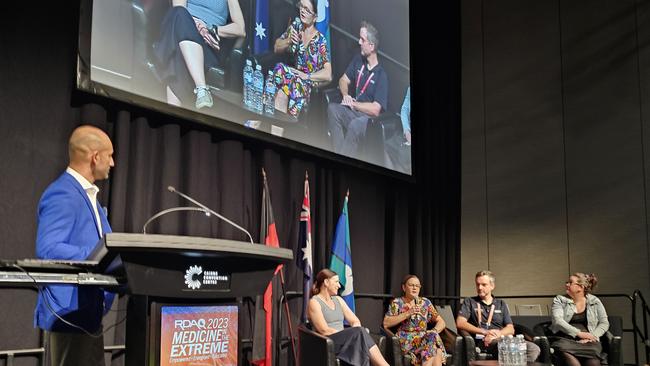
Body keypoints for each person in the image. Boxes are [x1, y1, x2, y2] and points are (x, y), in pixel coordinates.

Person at [34, 125, 116, 365]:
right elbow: (48, 248)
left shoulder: (89, 195)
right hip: (69, 315)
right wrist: (99, 257)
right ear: (95, 157)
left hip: (88, 314)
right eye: (110, 156)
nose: (112, 163)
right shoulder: (63, 193)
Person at [154, 0, 246, 109]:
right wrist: (197, 27)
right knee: (178, 14)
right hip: (182, 31)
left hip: (207, 45)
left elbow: (240, 29)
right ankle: (202, 88)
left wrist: (211, 29)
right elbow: (178, 11)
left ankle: (171, 120)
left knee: (178, 53)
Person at [327, 21, 389, 158]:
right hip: (354, 112)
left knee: (355, 124)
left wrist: (354, 104)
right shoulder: (358, 61)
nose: (359, 42)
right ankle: (339, 155)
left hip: (368, 120)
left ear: (371, 46)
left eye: (363, 40)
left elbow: (376, 109)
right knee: (333, 109)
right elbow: (343, 80)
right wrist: (345, 95)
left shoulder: (381, 75)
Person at [308, 269, 389, 366]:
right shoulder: (314, 302)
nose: (339, 285)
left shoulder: (338, 300)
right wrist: (350, 335)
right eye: (336, 282)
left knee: (360, 333)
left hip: (344, 341)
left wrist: (352, 334)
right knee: (359, 332)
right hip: (328, 342)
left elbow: (354, 320)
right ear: (326, 282)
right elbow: (324, 330)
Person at [456, 270, 540, 363]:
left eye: (484, 285)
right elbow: (460, 323)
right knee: (506, 348)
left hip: (502, 338)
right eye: (477, 284)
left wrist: (498, 334)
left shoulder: (501, 303)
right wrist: (485, 332)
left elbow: (510, 328)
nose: (479, 287)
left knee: (533, 349)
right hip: (484, 341)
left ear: (492, 286)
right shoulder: (470, 302)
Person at [272, 0, 332, 117]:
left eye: (307, 10)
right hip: (292, 78)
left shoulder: (320, 41)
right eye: (302, 7)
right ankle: (273, 126)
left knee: (288, 80)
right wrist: (289, 41)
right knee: (281, 79)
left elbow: (328, 74)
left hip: (307, 84)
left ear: (314, 18)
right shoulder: (296, 26)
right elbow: (276, 47)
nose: (303, 12)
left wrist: (307, 76)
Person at [383, 274, 446, 366]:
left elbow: (442, 322)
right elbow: (386, 323)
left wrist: (434, 330)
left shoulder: (425, 302)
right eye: (411, 285)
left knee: (433, 344)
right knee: (436, 351)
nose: (414, 288)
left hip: (426, 338)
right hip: (407, 339)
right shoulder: (397, 303)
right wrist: (408, 313)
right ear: (404, 287)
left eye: (417, 286)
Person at [549, 273, 609, 366]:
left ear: (580, 287)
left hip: (588, 343)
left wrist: (592, 336)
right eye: (567, 282)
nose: (567, 284)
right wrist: (579, 333)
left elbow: (604, 323)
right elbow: (558, 321)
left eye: (570, 282)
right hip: (565, 339)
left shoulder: (594, 301)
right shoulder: (560, 300)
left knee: (594, 363)